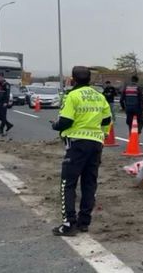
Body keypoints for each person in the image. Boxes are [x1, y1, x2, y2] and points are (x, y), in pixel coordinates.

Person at [50, 66, 111, 236]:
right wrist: (103, 136)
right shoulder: (99, 97)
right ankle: (84, 222)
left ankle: (69, 224)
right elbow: (107, 120)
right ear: (89, 79)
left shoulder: (72, 96)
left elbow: (65, 122)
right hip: (96, 143)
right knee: (89, 183)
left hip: (76, 144)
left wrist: (55, 125)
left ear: (73, 79)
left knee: (68, 184)